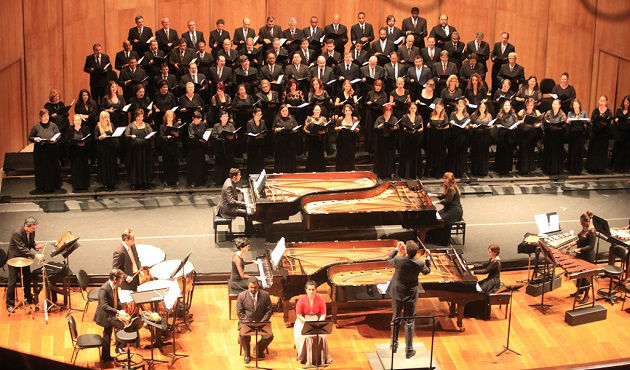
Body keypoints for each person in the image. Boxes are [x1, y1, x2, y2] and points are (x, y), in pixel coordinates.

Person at [387, 240, 431, 359]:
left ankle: (394, 346)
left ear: (406, 250)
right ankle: (409, 350)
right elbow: (427, 271)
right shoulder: (419, 263)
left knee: (395, 319)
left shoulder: (399, 260)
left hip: (397, 293)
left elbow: (389, 260)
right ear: (416, 252)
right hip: (410, 295)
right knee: (409, 322)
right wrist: (427, 258)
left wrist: (396, 249)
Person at [5, 217, 44, 313]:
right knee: (12, 281)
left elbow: (30, 243)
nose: (34, 230)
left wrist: (35, 246)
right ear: (27, 226)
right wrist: (35, 256)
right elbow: (22, 248)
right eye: (33, 228)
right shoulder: (17, 233)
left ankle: (28, 297)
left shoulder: (31, 232)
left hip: (24, 257)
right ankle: (9, 304)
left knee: (27, 277)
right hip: (14, 257)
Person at [294, 281, 333, 367]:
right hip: (303, 321)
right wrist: (306, 323)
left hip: (317, 320)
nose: (311, 292)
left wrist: (319, 322)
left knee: (322, 336)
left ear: (316, 290)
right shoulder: (301, 300)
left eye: (313, 289)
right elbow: (299, 315)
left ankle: (321, 359)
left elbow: (323, 314)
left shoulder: (320, 300)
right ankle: (306, 358)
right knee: (306, 336)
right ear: (306, 290)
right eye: (309, 290)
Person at [237, 277, 274, 364]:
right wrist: (248, 322)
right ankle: (247, 354)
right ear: (248, 286)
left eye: (255, 287)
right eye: (251, 287)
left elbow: (269, 310)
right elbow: (240, 312)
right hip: (246, 322)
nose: (253, 289)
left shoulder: (265, 295)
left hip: (262, 322)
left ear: (258, 286)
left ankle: (258, 349)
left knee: (269, 336)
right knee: (243, 335)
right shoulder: (242, 296)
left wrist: (262, 321)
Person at [93, 269, 127, 362]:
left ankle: (106, 356)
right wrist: (118, 312)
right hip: (105, 315)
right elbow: (104, 306)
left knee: (107, 334)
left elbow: (117, 300)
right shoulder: (104, 289)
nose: (122, 280)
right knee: (119, 326)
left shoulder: (115, 286)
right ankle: (118, 348)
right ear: (115, 279)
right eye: (121, 279)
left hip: (112, 313)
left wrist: (122, 309)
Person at [29, 108, 61, 193]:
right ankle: (41, 185)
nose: (46, 118)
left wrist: (56, 139)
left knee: (52, 167)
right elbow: (30, 137)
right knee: (41, 168)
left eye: (47, 116)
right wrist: (35, 138)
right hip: (40, 150)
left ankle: (53, 185)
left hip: (51, 149)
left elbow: (58, 135)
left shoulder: (53, 125)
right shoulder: (36, 126)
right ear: (40, 117)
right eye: (44, 116)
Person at [427, 172, 463, 245]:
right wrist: (432, 195)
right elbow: (443, 196)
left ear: (450, 180)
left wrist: (436, 202)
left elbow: (447, 200)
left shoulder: (452, 188)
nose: (444, 180)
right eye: (444, 178)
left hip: (455, 211)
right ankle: (434, 236)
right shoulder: (447, 187)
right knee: (435, 216)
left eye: (446, 178)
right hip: (449, 209)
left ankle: (443, 241)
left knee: (441, 220)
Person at [570, 211, 596, 303]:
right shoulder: (585, 227)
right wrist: (574, 243)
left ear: (587, 221)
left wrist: (579, 249)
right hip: (581, 255)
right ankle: (580, 291)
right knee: (580, 275)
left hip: (588, 257)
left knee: (586, 277)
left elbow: (591, 246)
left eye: (582, 222)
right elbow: (581, 238)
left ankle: (586, 295)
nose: (581, 224)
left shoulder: (592, 231)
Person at [125, 109, 154, 189]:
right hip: (135, 150)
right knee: (136, 165)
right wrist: (131, 136)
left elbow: (151, 133)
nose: (140, 119)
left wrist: (150, 136)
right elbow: (126, 135)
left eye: (141, 117)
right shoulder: (131, 125)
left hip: (144, 149)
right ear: (135, 117)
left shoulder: (147, 125)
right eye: (138, 117)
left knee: (144, 165)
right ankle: (135, 182)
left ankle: (145, 181)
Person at [516, 98, 542, 175]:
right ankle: (523, 168)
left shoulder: (536, 112)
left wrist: (538, 124)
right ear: (526, 105)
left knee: (530, 150)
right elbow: (516, 122)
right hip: (523, 134)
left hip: (532, 135)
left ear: (533, 105)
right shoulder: (522, 112)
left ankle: (530, 168)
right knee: (523, 149)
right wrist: (522, 121)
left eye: (531, 105)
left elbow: (541, 122)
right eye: (528, 105)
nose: (530, 106)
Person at [398, 102, 424, 179]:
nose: (413, 110)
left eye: (414, 108)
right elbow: (404, 128)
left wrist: (416, 130)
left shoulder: (419, 117)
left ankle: (416, 174)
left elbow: (422, 128)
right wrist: (410, 131)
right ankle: (407, 174)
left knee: (416, 155)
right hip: (407, 138)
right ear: (409, 109)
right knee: (407, 155)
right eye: (411, 108)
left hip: (416, 138)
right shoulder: (405, 117)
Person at [587, 95, 612, 173]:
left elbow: (608, 122)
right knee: (594, 150)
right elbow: (592, 120)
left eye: (603, 101)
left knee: (601, 151)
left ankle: (600, 168)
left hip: (603, 134)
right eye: (600, 101)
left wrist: (602, 123)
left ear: (606, 102)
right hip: (595, 133)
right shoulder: (595, 110)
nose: (601, 102)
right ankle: (592, 167)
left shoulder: (608, 111)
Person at [95, 111, 120, 190]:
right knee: (105, 166)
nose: (107, 119)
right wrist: (100, 137)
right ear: (102, 118)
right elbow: (96, 138)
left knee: (112, 165)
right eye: (105, 117)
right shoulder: (98, 126)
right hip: (103, 149)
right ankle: (105, 182)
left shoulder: (111, 125)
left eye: (108, 117)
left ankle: (112, 182)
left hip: (111, 148)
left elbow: (115, 135)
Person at [542, 99, 567, 175]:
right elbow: (544, 122)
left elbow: (563, 126)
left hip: (558, 137)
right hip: (549, 136)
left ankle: (556, 169)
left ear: (559, 105)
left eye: (556, 104)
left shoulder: (562, 114)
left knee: (557, 153)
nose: (554, 106)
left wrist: (556, 127)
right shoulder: (548, 113)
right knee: (548, 151)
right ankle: (547, 169)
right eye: (553, 104)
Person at [66, 114, 91, 191]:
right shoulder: (70, 129)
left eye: (79, 120)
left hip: (83, 152)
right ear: (73, 121)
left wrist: (84, 143)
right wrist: (75, 143)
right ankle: (76, 185)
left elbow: (89, 139)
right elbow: (67, 140)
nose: (78, 122)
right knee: (75, 168)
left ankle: (84, 184)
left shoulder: (85, 128)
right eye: (76, 120)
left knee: (84, 168)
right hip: (74, 152)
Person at [447, 98, 470, 178]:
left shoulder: (467, 115)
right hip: (454, 137)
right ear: (457, 106)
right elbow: (450, 125)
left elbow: (468, 127)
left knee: (461, 155)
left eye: (462, 106)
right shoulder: (453, 114)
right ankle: (452, 172)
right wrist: (452, 124)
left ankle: (459, 172)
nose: (460, 107)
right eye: (459, 106)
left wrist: (467, 127)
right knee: (453, 154)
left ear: (464, 107)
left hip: (463, 138)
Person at [212, 111, 237, 185]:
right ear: (220, 118)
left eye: (227, 116)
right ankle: (219, 181)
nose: (226, 118)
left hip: (229, 147)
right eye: (224, 116)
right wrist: (220, 138)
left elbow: (235, 135)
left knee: (229, 164)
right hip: (220, 147)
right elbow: (213, 135)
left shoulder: (231, 125)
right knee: (220, 165)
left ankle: (229, 180)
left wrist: (232, 137)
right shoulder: (216, 126)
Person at [425, 99, 448, 178]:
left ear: (442, 108)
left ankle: (438, 173)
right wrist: (428, 125)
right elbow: (428, 123)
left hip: (441, 137)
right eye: (437, 107)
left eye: (439, 107)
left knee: (439, 155)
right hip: (432, 136)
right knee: (431, 154)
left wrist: (441, 127)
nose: (438, 109)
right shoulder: (432, 114)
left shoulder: (444, 115)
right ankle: (429, 172)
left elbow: (447, 125)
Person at [374, 104, 398, 178]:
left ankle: (391, 172)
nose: (388, 113)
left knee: (390, 156)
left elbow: (397, 127)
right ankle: (380, 172)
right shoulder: (379, 118)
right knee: (381, 156)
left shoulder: (394, 118)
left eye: (389, 111)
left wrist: (395, 128)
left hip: (390, 140)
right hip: (381, 139)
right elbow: (375, 127)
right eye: (386, 111)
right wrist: (379, 126)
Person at [566, 99, 590, 175]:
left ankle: (578, 169)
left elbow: (588, 122)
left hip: (580, 135)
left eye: (576, 104)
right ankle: (571, 169)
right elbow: (567, 123)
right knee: (572, 152)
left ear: (579, 105)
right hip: (572, 135)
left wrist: (585, 121)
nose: (575, 106)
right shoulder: (570, 113)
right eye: (574, 105)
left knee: (579, 152)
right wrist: (568, 121)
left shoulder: (584, 113)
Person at [469, 101, 493, 177]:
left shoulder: (489, 115)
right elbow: (470, 123)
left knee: (484, 153)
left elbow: (491, 124)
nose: (482, 109)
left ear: (485, 108)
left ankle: (483, 171)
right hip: (476, 136)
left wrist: (490, 126)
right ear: (478, 107)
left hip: (485, 136)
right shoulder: (474, 115)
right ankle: (475, 170)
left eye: (483, 107)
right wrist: (473, 125)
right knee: (476, 152)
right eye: (480, 107)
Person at [273, 104, 299, 173]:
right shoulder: (277, 119)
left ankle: (290, 171)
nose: (285, 112)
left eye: (286, 110)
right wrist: (276, 129)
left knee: (290, 156)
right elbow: (273, 129)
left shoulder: (292, 118)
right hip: (281, 142)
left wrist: (295, 130)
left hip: (290, 141)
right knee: (281, 156)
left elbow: (297, 128)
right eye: (283, 111)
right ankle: (280, 171)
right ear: (280, 112)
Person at [494, 100, 518, 175]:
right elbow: (496, 124)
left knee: (508, 152)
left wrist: (515, 127)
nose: (507, 107)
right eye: (505, 105)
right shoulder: (499, 114)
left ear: (510, 107)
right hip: (502, 135)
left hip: (510, 135)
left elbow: (516, 124)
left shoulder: (513, 115)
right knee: (501, 152)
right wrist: (498, 126)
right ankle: (500, 169)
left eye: (508, 105)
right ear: (503, 107)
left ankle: (507, 169)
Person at [186, 111, 209, 187]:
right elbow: (191, 136)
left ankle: (201, 181)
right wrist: (199, 139)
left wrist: (204, 138)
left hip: (201, 148)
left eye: (199, 119)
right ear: (193, 118)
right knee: (193, 165)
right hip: (193, 148)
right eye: (197, 119)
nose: (198, 121)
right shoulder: (191, 126)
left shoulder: (202, 124)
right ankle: (193, 181)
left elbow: (205, 133)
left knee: (201, 164)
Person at [334, 104, 360, 171]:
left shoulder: (355, 119)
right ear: (344, 111)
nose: (348, 112)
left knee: (350, 154)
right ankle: (341, 170)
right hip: (342, 139)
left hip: (351, 138)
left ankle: (350, 169)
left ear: (351, 111)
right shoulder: (340, 119)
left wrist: (355, 129)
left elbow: (358, 129)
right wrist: (339, 127)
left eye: (349, 110)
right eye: (346, 110)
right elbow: (335, 128)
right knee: (341, 154)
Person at [158, 110, 180, 187]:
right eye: (168, 116)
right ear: (166, 117)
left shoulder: (176, 125)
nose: (170, 118)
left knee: (174, 163)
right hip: (166, 147)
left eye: (171, 116)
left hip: (174, 146)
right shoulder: (162, 126)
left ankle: (175, 180)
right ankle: (167, 180)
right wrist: (166, 137)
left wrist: (176, 134)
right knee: (167, 163)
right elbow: (161, 137)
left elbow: (178, 135)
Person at [304, 105, 328, 172]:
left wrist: (323, 132)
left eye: (319, 110)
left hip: (320, 139)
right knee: (312, 155)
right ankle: (311, 169)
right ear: (313, 110)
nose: (317, 111)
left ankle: (320, 170)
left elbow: (326, 129)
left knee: (320, 154)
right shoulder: (309, 118)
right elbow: (304, 129)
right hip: (312, 139)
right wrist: (310, 132)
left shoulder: (323, 118)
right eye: (316, 110)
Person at [612, 95, 630, 173]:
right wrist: (616, 120)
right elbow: (615, 119)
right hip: (619, 132)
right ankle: (615, 167)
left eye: (628, 102)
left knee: (625, 150)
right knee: (617, 150)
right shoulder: (619, 110)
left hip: (627, 133)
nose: (626, 104)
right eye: (625, 102)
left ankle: (624, 167)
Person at [246, 108, 267, 175]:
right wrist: (255, 136)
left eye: (260, 115)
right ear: (253, 114)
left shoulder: (263, 122)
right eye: (257, 115)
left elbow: (265, 131)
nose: (259, 116)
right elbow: (248, 132)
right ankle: (252, 173)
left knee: (260, 160)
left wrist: (263, 135)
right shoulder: (250, 122)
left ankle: (260, 173)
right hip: (252, 144)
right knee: (252, 160)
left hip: (260, 144)